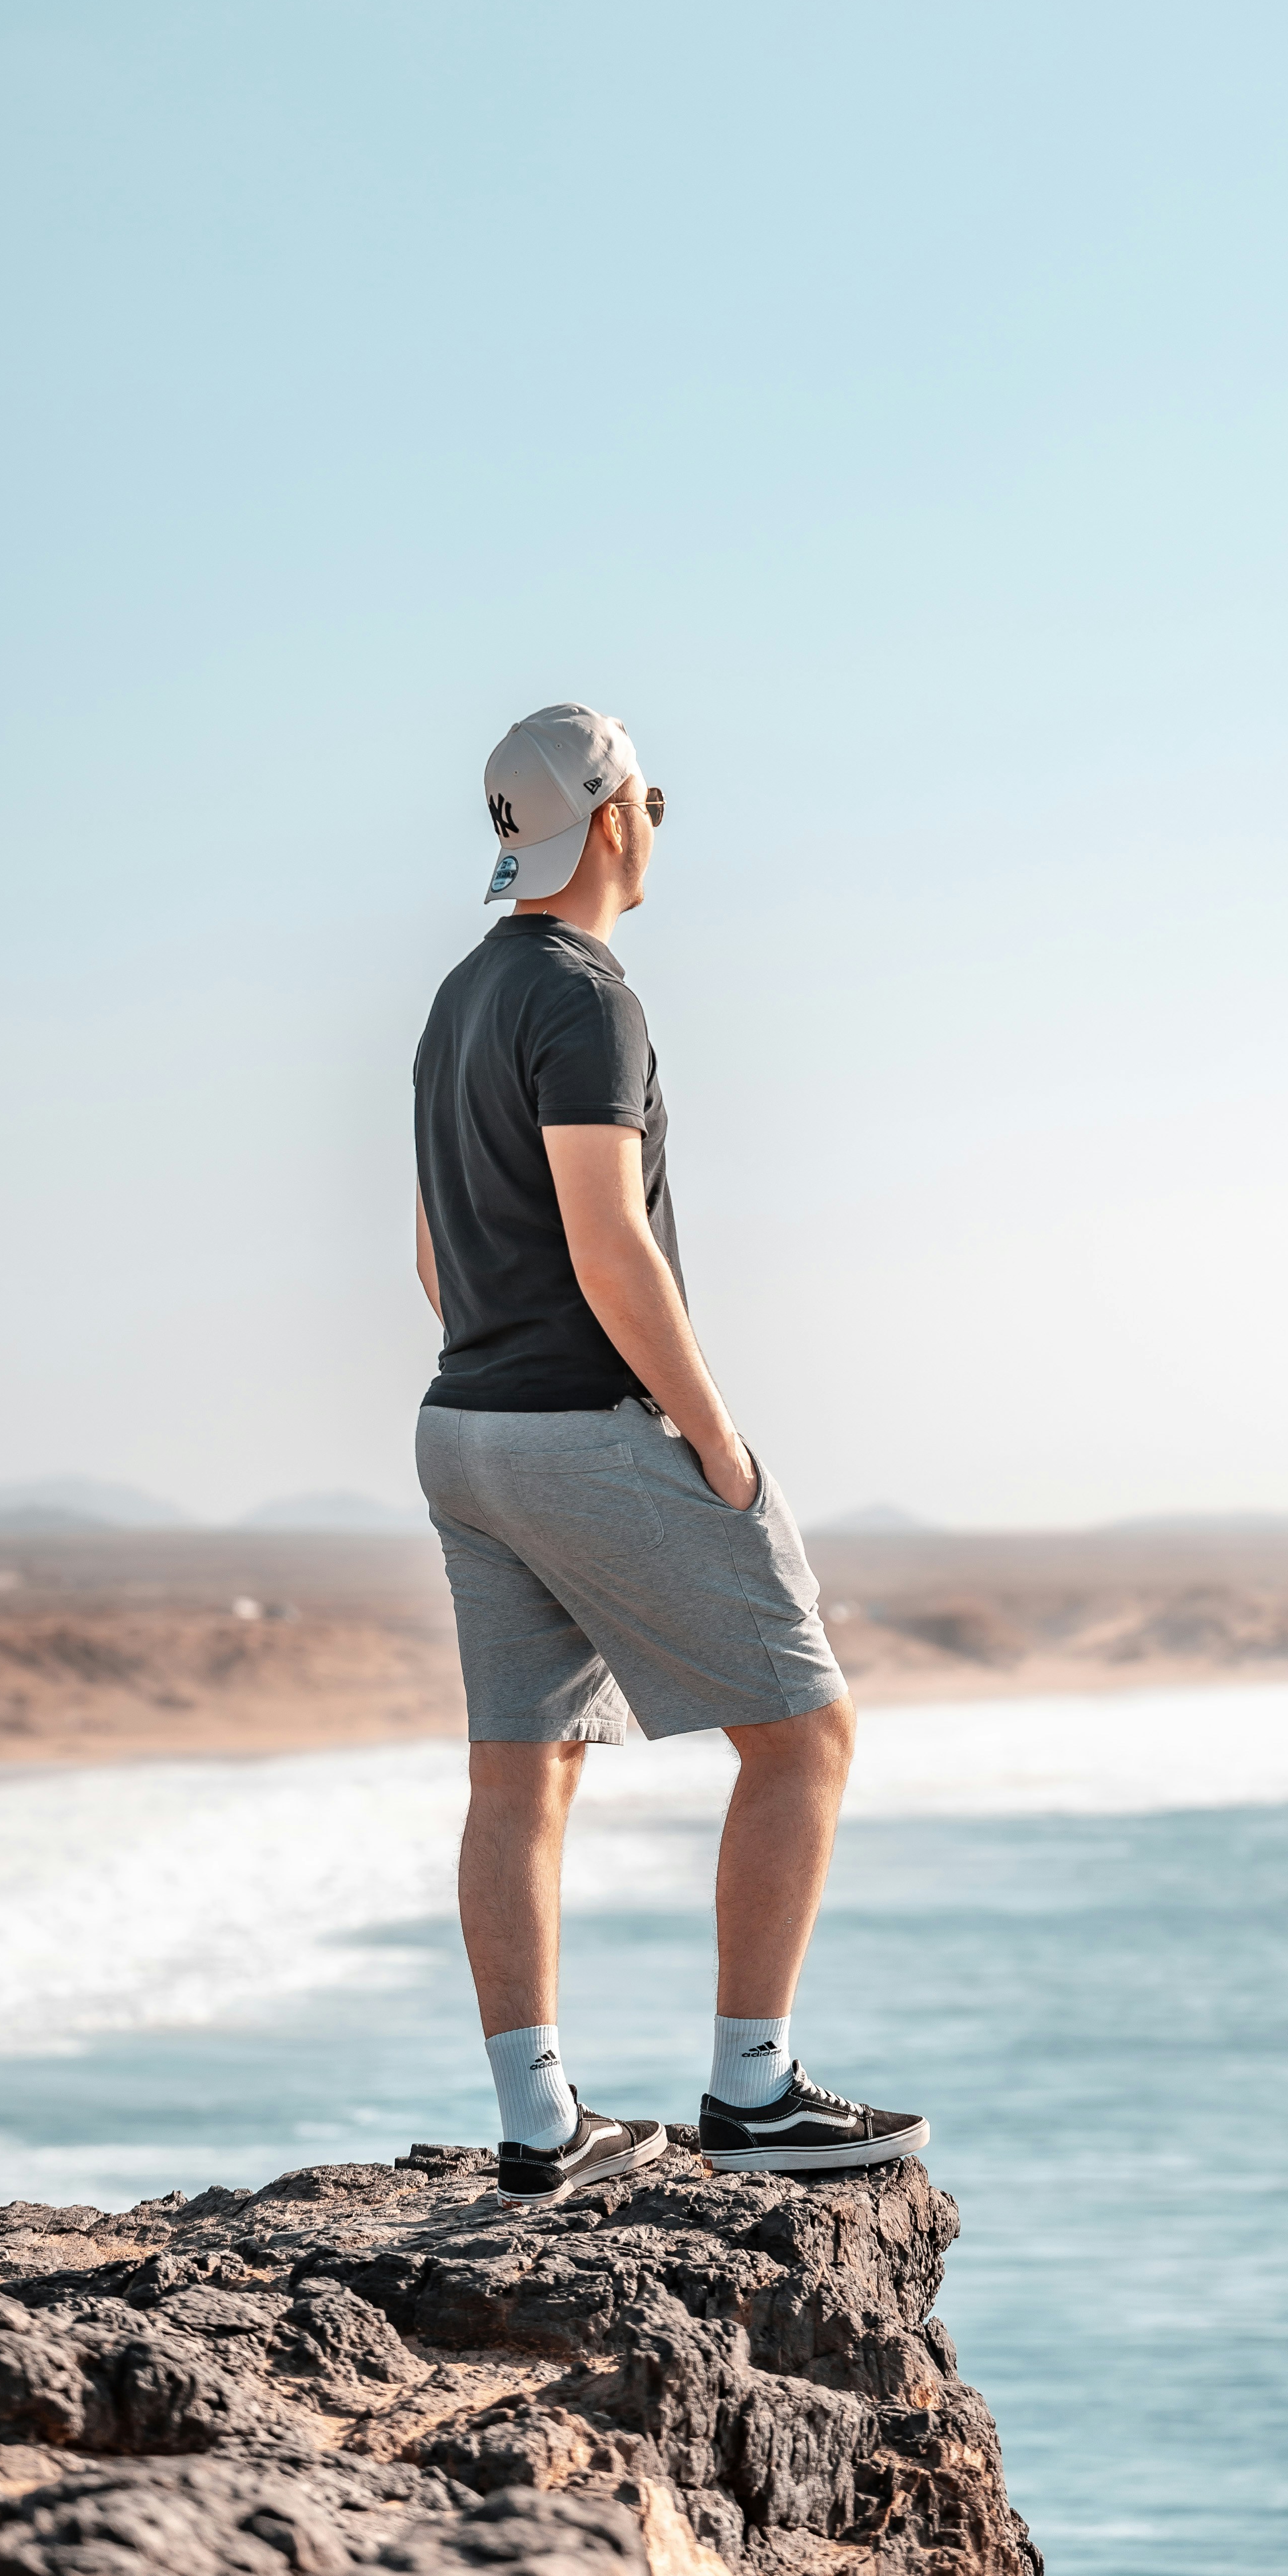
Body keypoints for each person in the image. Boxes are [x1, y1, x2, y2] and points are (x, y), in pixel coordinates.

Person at [411, 702, 926, 2205]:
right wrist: (715, 1439)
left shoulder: (460, 996)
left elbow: (435, 1257)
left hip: (463, 1431)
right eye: (654, 799)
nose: (657, 825)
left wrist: (506, 1378)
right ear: (616, 817)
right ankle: (754, 2093)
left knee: (521, 1779)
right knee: (806, 1735)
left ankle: (537, 2128)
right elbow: (610, 1239)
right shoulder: (589, 998)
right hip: (588, 1425)